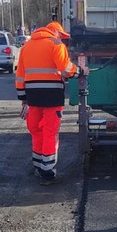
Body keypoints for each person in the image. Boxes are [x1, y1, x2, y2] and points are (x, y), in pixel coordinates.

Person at [15, 21, 81, 185]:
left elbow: (20, 75)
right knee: (50, 133)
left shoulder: (26, 46)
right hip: (52, 96)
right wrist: (80, 71)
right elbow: (65, 69)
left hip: (32, 97)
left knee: (36, 131)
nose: (62, 39)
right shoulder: (56, 44)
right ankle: (48, 172)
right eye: (62, 36)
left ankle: (38, 166)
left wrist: (23, 98)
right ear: (56, 33)